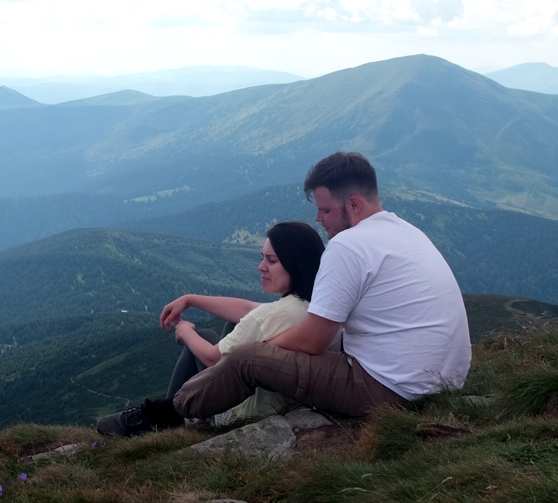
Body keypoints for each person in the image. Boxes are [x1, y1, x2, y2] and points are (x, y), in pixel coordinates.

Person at [98, 151, 471, 436]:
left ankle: (177, 408)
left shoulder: (350, 245)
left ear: (353, 205)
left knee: (247, 357)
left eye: (325, 209)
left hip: (391, 387)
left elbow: (312, 339)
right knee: (247, 349)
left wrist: (257, 346)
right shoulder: (406, 232)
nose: (319, 219)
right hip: (444, 380)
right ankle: (175, 409)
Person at [97, 221, 327, 436]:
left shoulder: (273, 316)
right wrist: (191, 299)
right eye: (262, 258)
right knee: (230, 324)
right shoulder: (317, 308)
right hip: (285, 401)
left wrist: (186, 331)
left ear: (296, 263)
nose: (261, 267)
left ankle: (164, 418)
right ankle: (171, 416)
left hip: (245, 412)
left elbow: (213, 360)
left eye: (271, 261)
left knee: (202, 337)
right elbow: (248, 309)